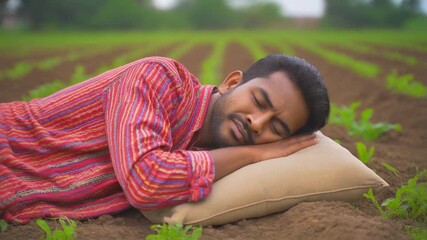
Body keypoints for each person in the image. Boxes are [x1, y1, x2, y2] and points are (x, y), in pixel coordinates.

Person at [0, 53, 329, 224]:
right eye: (259, 102)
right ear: (231, 82)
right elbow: (148, 180)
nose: (257, 123)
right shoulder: (159, 78)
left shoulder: (210, 152)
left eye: (277, 129)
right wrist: (257, 154)